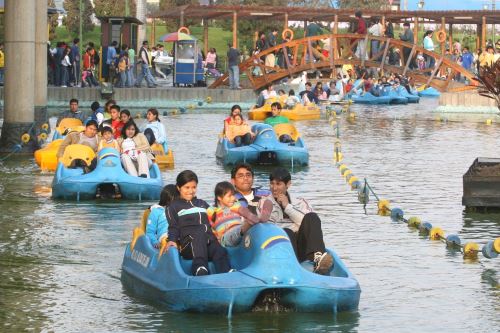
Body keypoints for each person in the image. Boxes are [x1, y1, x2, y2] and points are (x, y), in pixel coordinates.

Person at [257, 167, 333, 275]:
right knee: (287, 232)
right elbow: (267, 227)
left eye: (278, 184)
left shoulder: (301, 202)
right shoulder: (264, 203)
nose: (274, 188)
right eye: (272, 183)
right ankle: (293, 268)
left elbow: (309, 224)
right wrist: (292, 227)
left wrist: (288, 207)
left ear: (288, 184)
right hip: (281, 246)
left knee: (312, 217)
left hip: (302, 245)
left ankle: (317, 258)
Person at [166, 170, 231, 276]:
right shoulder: (173, 206)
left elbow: (215, 217)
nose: (191, 191)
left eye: (194, 187)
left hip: (208, 241)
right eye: (187, 187)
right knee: (199, 233)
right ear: (178, 187)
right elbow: (173, 226)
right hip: (189, 246)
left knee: (217, 248)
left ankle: (226, 270)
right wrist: (172, 240)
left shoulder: (202, 203)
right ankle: (199, 268)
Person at [207, 181, 272, 247]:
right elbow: (209, 228)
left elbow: (243, 210)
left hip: (242, 232)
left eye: (233, 195)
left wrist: (249, 215)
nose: (233, 198)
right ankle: (250, 223)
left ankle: (260, 219)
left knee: (248, 225)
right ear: (219, 198)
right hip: (225, 238)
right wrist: (214, 239)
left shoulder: (235, 204)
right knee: (239, 229)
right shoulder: (211, 210)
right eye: (229, 196)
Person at [146, 184, 177, 248]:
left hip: (179, 236)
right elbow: (150, 232)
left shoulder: (180, 211)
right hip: (165, 238)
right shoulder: (156, 212)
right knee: (168, 239)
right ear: (166, 199)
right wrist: (155, 242)